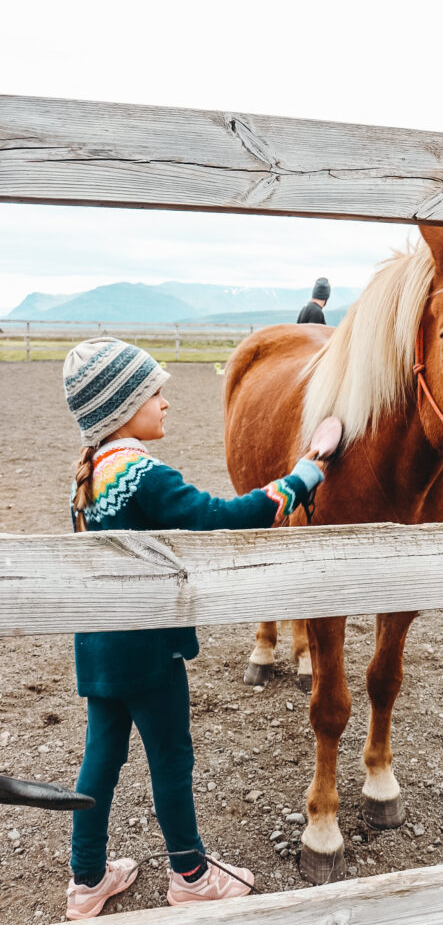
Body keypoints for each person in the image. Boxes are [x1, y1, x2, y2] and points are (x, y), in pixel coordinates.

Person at [61, 337, 324, 920]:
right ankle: (191, 875)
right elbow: (216, 519)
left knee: (100, 761)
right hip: (147, 652)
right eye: (155, 392)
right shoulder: (139, 473)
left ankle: (86, 881)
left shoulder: (89, 472)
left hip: (100, 649)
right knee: (172, 762)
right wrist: (305, 474)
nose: (165, 402)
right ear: (121, 406)